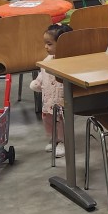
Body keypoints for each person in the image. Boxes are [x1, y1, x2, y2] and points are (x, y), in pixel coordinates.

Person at [30, 23, 71, 158]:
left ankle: (63, 141)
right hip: (48, 97)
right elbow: (43, 72)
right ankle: (55, 138)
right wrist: (38, 82)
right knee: (47, 119)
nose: (46, 47)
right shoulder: (47, 60)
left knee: (60, 120)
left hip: (60, 97)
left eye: (49, 44)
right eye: (45, 43)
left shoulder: (68, 61)